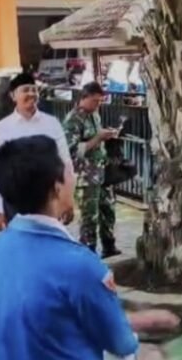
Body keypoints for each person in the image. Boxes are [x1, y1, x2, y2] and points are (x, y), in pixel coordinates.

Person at [0, 135, 179, 359]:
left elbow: (44, 317)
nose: (74, 176)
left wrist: (140, 320)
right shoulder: (80, 265)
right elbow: (122, 344)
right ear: (56, 188)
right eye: (70, 170)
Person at [0, 72, 72, 231]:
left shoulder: (52, 123)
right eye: (25, 90)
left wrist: (67, 199)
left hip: (47, 199)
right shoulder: (1, 128)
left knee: (47, 238)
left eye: (34, 90)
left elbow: (66, 162)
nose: (31, 94)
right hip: (14, 200)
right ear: (13, 96)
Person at [64, 82, 121, 258]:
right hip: (86, 175)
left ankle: (109, 244)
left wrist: (106, 134)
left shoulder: (94, 115)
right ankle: (88, 250)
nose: (98, 105)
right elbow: (72, 150)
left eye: (100, 101)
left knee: (108, 209)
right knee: (89, 215)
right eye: (95, 101)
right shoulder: (73, 120)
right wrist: (97, 138)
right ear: (84, 98)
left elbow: (96, 135)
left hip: (100, 170)